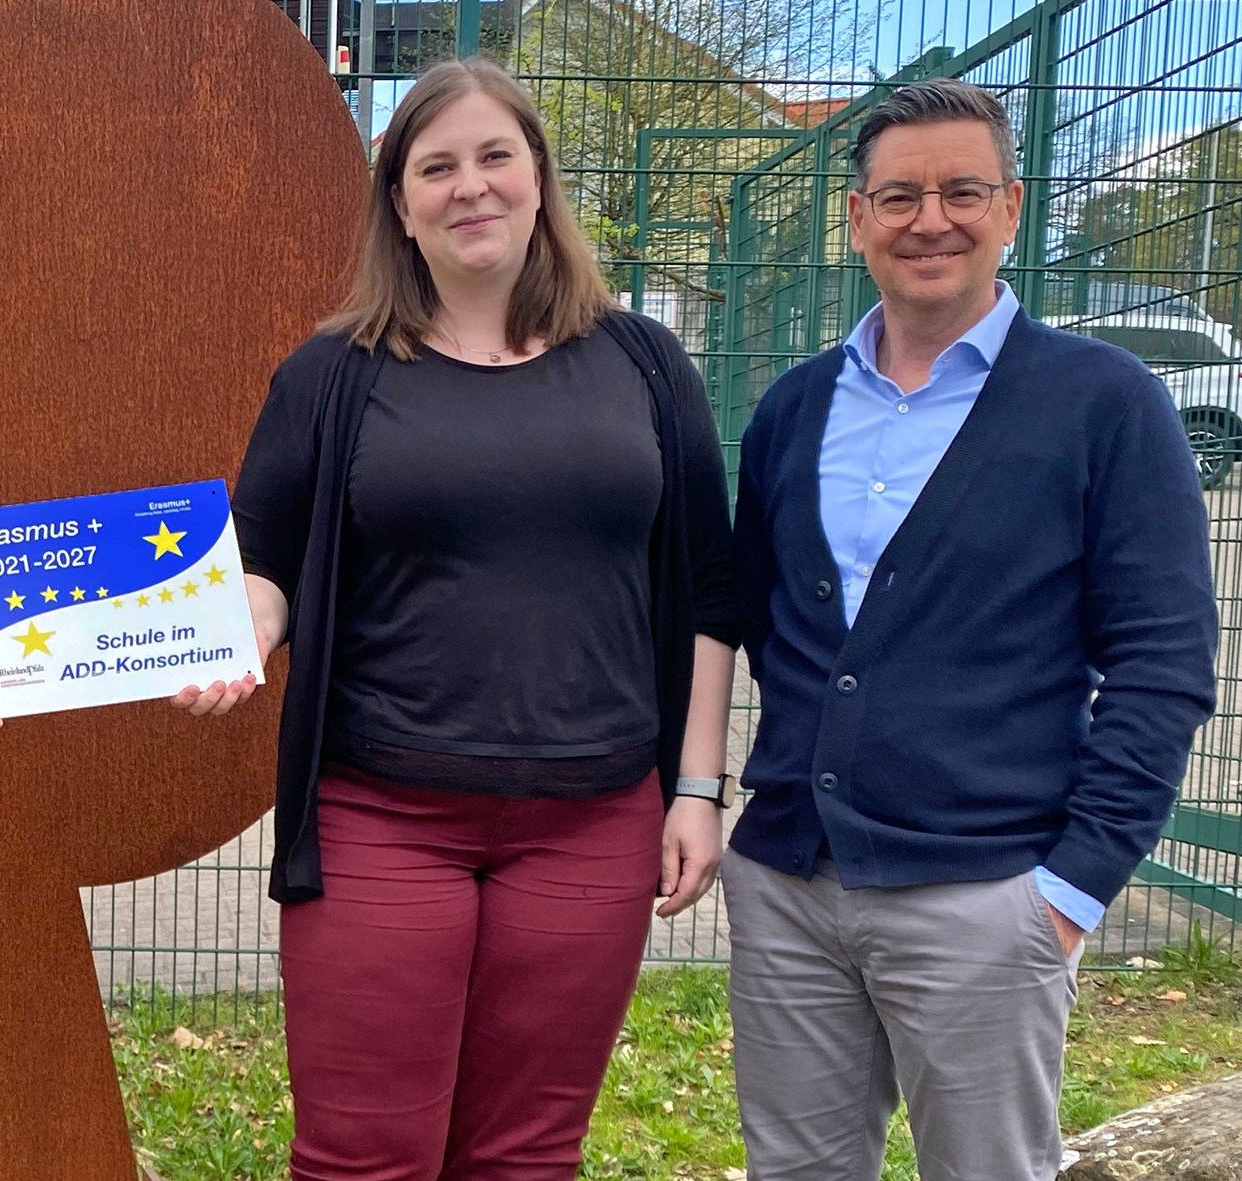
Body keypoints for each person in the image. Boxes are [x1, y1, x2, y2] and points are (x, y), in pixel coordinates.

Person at [189, 57, 738, 1180]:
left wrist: (695, 787)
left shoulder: (643, 363)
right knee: (361, 1154)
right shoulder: (329, 375)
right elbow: (263, 562)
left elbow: (706, 590)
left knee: (526, 1153)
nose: (470, 186)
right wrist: (241, 627)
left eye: (495, 156)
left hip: (594, 818)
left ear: (538, 177)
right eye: (435, 167)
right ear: (400, 204)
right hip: (379, 815)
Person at [725, 77, 1216, 1181]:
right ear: (858, 219)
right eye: (899, 197)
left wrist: (1072, 887)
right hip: (790, 885)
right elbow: (764, 620)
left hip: (987, 894)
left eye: (962, 191)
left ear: (1011, 207)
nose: (930, 220)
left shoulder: (1104, 404)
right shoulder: (793, 408)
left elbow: (1163, 662)